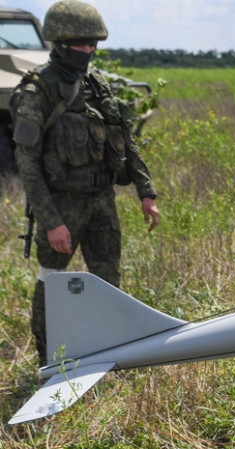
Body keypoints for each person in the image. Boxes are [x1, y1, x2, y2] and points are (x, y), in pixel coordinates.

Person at [10, 0, 159, 367]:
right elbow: (27, 165)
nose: (90, 50)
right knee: (52, 283)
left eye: (94, 43)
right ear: (61, 43)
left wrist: (146, 191)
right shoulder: (36, 92)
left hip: (101, 203)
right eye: (82, 43)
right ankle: (49, 361)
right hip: (62, 206)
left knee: (108, 281)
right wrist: (51, 222)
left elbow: (126, 140)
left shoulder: (99, 85)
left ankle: (110, 356)